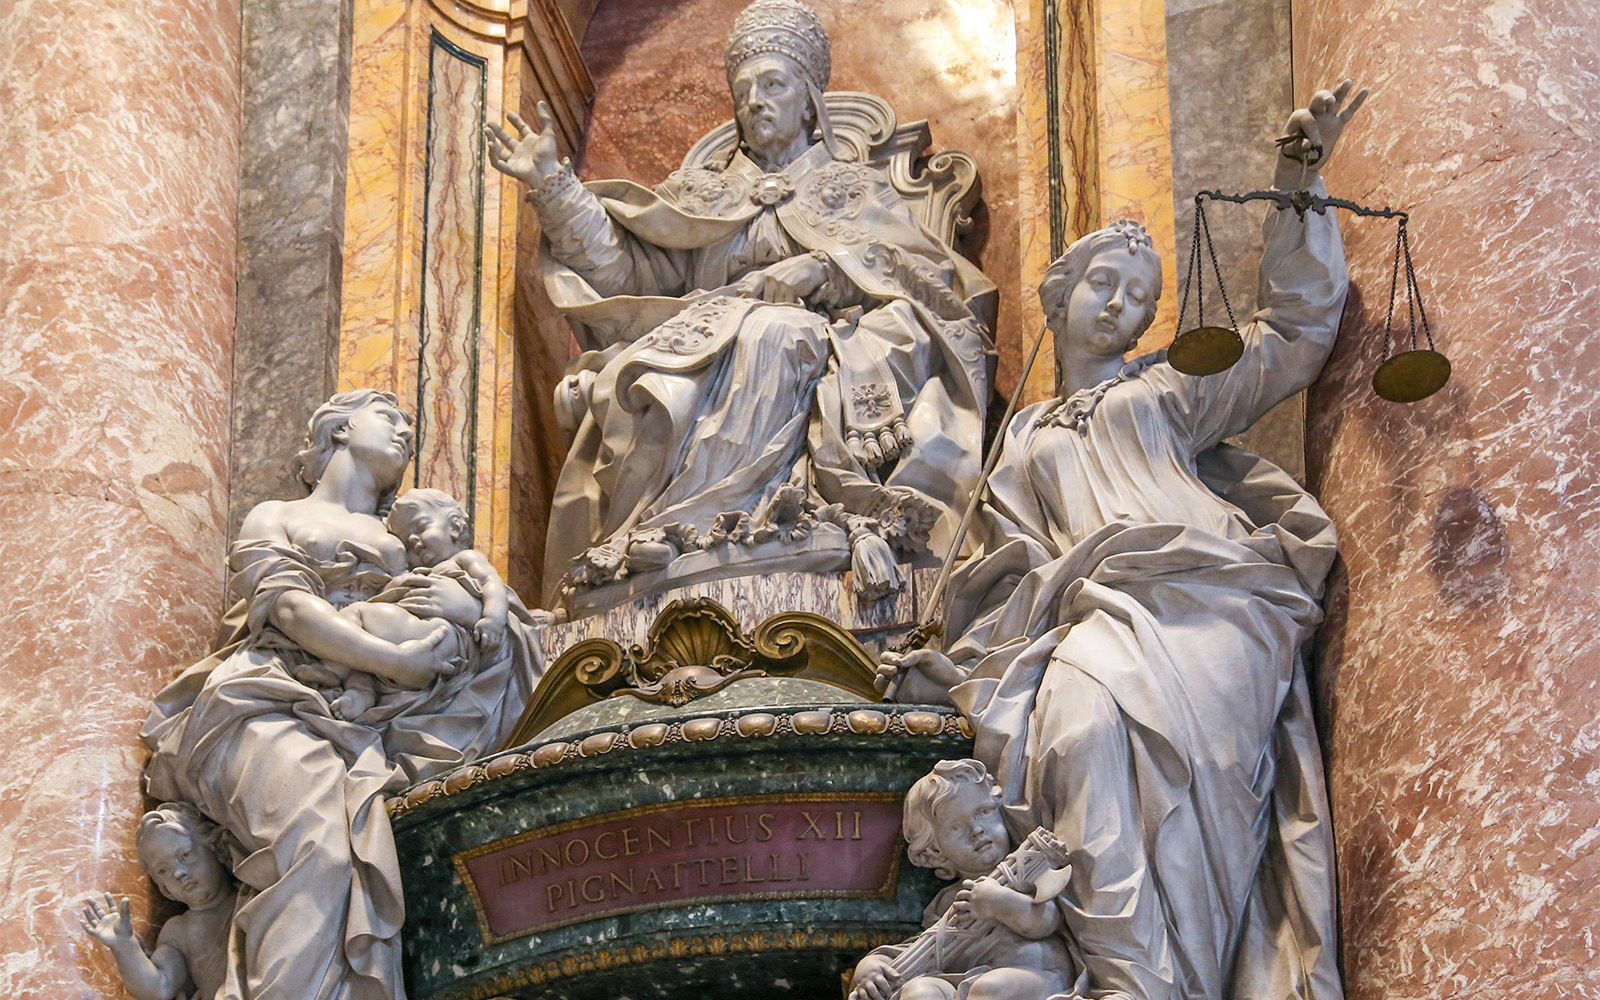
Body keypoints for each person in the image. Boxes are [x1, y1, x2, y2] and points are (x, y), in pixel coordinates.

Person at [877, 83, 1368, 1000]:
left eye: (1139, 297)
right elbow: (1002, 573)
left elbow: (1295, 334)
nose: (1119, 306)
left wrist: (1298, 177)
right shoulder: (1019, 438)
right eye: (1103, 284)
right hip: (1089, 613)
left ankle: (1192, 971)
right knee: (1074, 723)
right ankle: (1129, 978)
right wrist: (953, 659)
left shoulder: (1170, 390)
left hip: (1208, 595)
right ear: (1058, 297)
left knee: (1207, 798)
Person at [486, 0, 996, 607]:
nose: (754, 100)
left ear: (809, 100)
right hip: (695, 341)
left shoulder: (858, 190)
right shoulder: (701, 196)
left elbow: (935, 290)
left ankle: (725, 531)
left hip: (820, 341)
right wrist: (556, 188)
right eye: (744, 89)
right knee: (643, 383)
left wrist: (827, 269)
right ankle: (665, 538)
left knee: (775, 334)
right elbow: (628, 273)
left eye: (773, 84)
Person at [141, 389, 540, 1000]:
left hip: (374, 714)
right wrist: (396, 660)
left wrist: (467, 608)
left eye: (409, 423)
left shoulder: (411, 539)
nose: (406, 431)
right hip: (266, 697)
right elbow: (293, 610)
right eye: (390, 417)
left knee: (359, 851)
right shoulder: (277, 515)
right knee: (323, 844)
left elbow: (484, 605)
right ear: (340, 426)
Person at [850, 760, 1076, 1000]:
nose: (977, 830)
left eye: (984, 812)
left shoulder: (1027, 873)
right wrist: (871, 966)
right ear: (935, 853)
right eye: (956, 827)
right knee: (920, 992)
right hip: (962, 979)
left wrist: (1000, 902)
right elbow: (924, 948)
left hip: (1034, 974)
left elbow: (1047, 920)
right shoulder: (948, 901)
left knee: (990, 988)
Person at [300, 488, 514, 721]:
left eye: (421, 528)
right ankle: (360, 691)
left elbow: (492, 584)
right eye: (407, 544)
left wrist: (492, 619)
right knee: (358, 628)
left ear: (454, 526)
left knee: (357, 615)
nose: (414, 542)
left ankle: (334, 670)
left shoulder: (465, 558)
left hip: (444, 635)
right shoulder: (420, 572)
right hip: (416, 634)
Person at [80, 804, 236, 1000]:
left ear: (217, 847)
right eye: (164, 871)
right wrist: (124, 946)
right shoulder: (180, 931)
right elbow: (159, 988)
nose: (179, 873)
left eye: (185, 855)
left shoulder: (251, 896)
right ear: (164, 889)